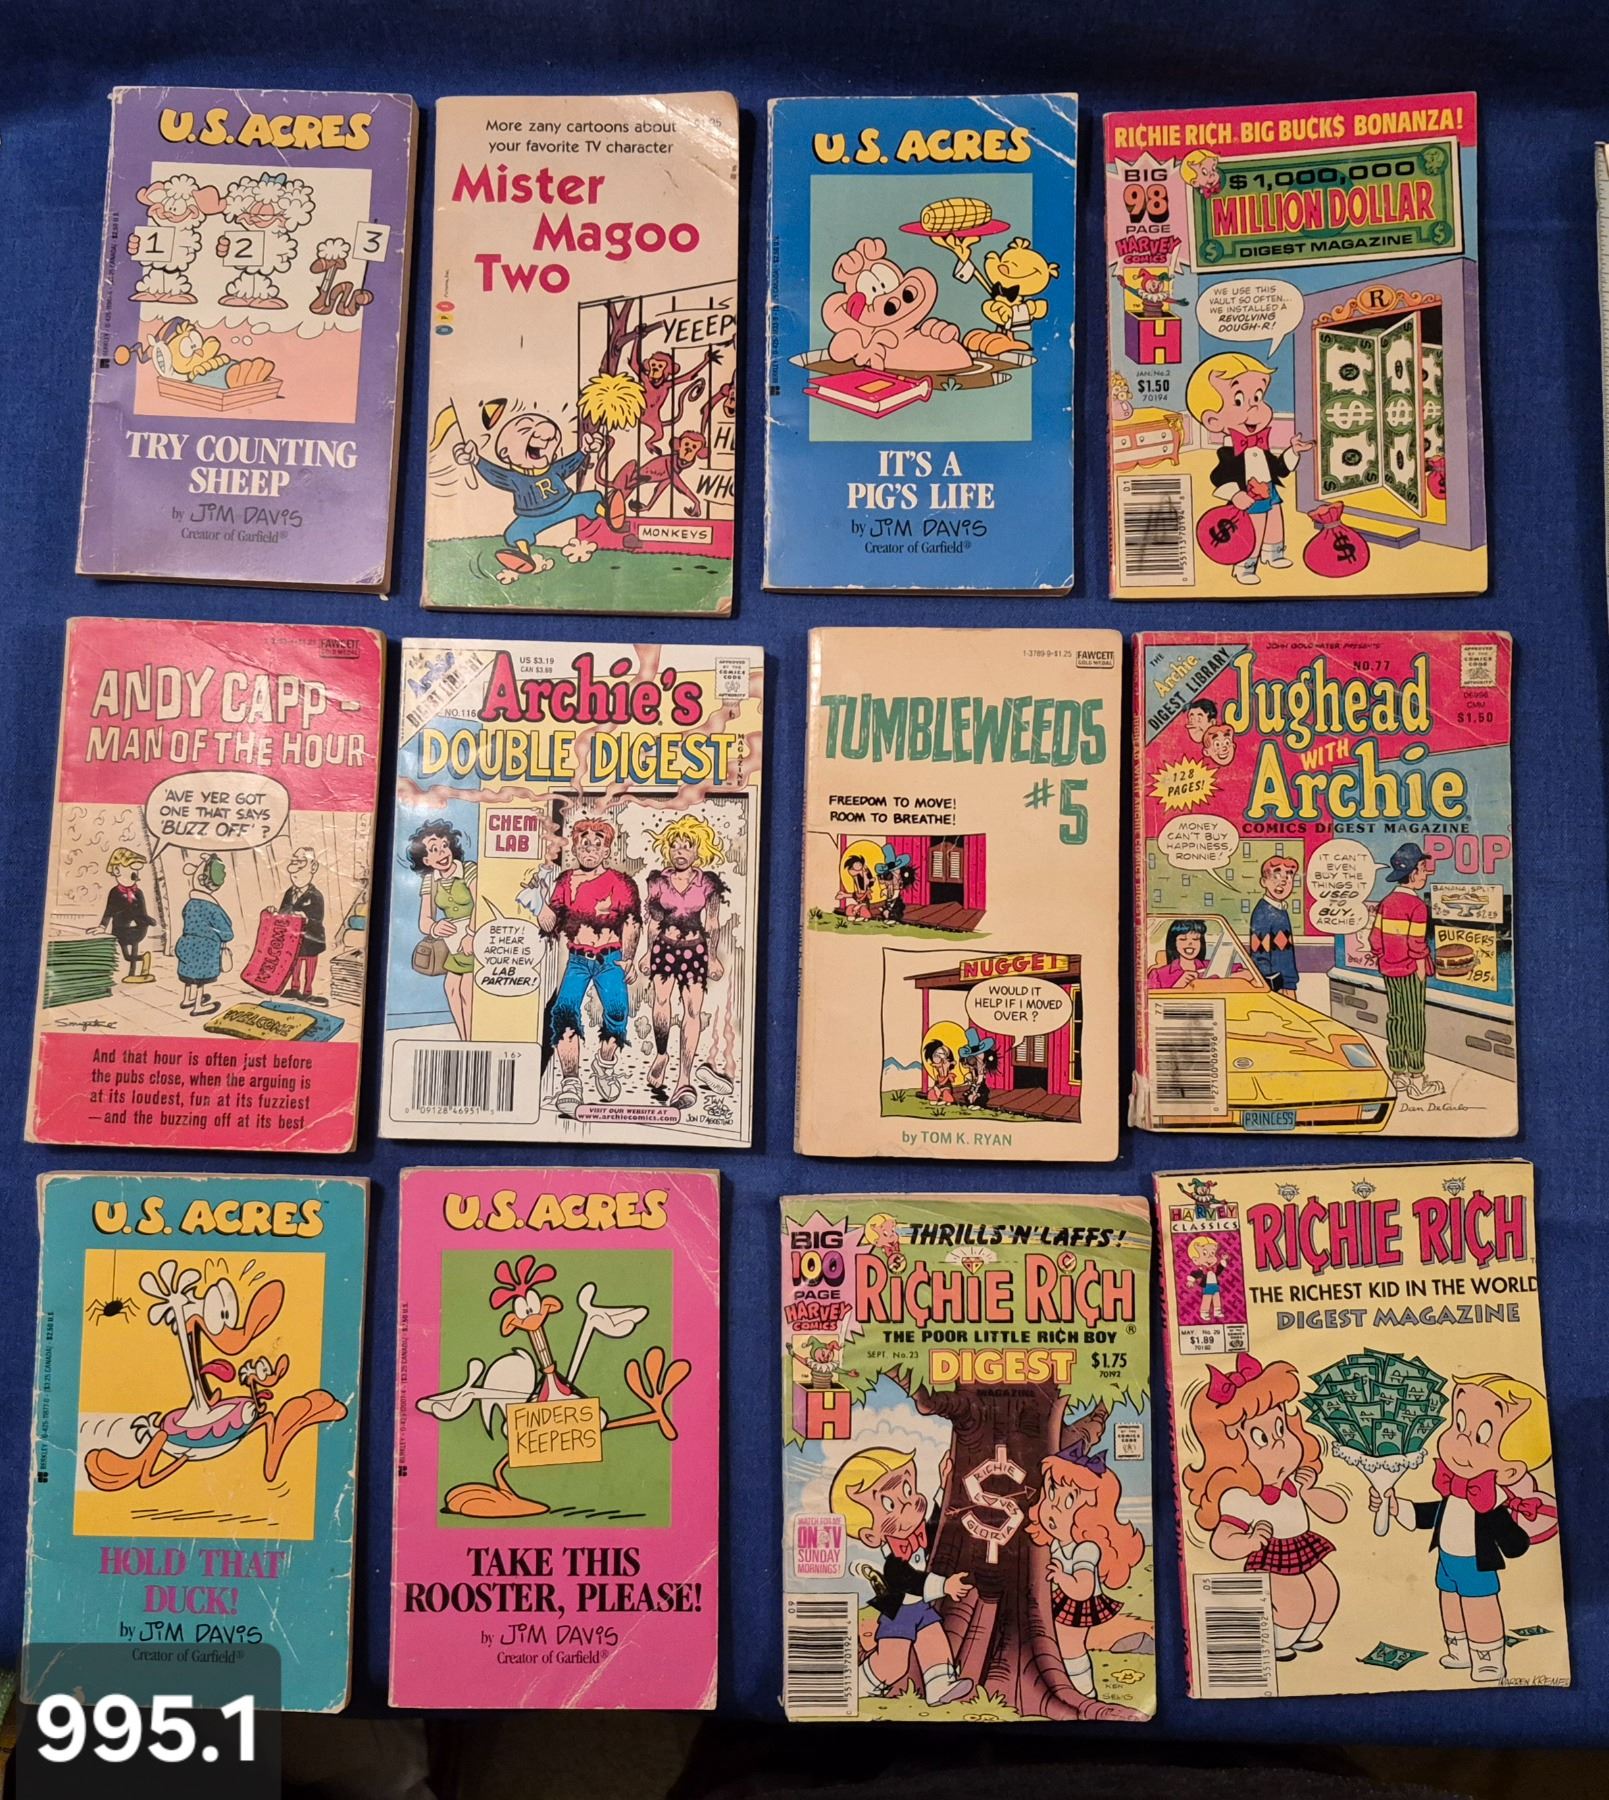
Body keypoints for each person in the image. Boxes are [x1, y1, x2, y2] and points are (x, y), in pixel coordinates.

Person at [1372, 1374, 1556, 1684]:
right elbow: (1433, 1514)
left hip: (1475, 1564)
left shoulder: (1490, 1502)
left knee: (1479, 1608)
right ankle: (1459, 1651)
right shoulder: (1454, 1490)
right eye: (1459, 1424)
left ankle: (1488, 1660)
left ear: (1510, 1469)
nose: (1461, 1440)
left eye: (1481, 1435)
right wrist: (1396, 1506)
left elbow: (1513, 1541)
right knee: (1450, 1603)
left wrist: (1515, 1537)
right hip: (1447, 1559)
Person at [1183, 1353, 1349, 1663]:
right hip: (1272, 1555)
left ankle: (1306, 1638)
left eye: (1281, 1429)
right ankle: (1280, 1642)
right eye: (1261, 1437)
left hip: (1302, 1545)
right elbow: (1221, 1542)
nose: (1279, 1444)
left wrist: (1310, 1491)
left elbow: (1337, 1512)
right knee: (1297, 1602)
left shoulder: (1294, 1481)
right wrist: (1248, 1541)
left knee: (1327, 1590)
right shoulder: (1238, 1496)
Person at [832, 1446, 974, 1707]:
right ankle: (858, 1683)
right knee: (893, 1665)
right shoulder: (892, 1564)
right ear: (870, 1536)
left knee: (934, 1639)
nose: (910, 1502)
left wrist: (944, 1487)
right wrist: (945, 1585)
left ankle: (940, 1685)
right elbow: (911, 1580)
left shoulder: (918, 1533)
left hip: (921, 1608)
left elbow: (937, 1527)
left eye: (908, 1490)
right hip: (898, 1611)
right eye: (890, 1504)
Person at [1025, 1423, 1144, 1701]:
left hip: (1078, 1604)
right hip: (1061, 1600)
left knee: (1071, 1649)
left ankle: (1084, 1691)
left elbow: (1083, 1586)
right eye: (1051, 1494)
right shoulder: (1055, 1543)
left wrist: (1061, 1577)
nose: (1054, 1507)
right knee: (1058, 1646)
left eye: (1068, 1501)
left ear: (1092, 1515)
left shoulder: (1087, 1549)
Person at [535, 819, 641, 1117]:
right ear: (575, 848)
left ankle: (605, 1065)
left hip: (611, 959)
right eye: (584, 844)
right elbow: (552, 922)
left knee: (617, 1012)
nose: (590, 850)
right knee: (564, 1012)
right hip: (578, 959)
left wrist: (629, 957)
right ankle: (570, 1083)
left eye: (597, 844)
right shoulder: (566, 881)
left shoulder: (621, 882)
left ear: (607, 850)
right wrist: (540, 911)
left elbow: (632, 922)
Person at [1186, 350, 1313, 586]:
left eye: (1258, 397)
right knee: (1251, 530)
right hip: (1248, 496)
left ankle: (1273, 554)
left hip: (1269, 490)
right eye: (1239, 401)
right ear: (1213, 421)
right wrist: (1236, 494)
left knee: (1275, 521)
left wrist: (1293, 451)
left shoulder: (1261, 447)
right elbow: (1219, 477)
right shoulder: (1229, 453)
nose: (1256, 408)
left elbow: (1280, 469)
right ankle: (1245, 567)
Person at [639, 815, 730, 1110]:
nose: (680, 851)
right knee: (661, 1002)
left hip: (694, 949)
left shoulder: (708, 883)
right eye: (675, 846)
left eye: (687, 846)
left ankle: (684, 1078)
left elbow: (713, 923)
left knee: (693, 1011)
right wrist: (647, 953)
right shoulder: (658, 881)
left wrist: (712, 957)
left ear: (697, 850)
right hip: (664, 946)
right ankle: (661, 1053)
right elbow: (653, 921)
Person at [1369, 841, 1444, 1100]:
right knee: (1414, 1021)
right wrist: (1421, 968)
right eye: (1423, 869)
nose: (1426, 874)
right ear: (1412, 873)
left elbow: (1375, 939)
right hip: (1412, 970)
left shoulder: (1387, 902)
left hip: (1389, 969)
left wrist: (1384, 958)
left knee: (1396, 1018)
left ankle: (1398, 1073)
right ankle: (1417, 1078)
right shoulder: (1417, 907)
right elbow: (1416, 944)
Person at [408, 818, 476, 1040]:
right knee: (451, 988)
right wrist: (436, 927)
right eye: (434, 850)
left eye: (444, 846)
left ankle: (472, 1040)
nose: (442, 853)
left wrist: (471, 934)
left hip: (476, 936)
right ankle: (465, 1039)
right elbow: (424, 921)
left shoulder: (468, 870)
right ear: (426, 859)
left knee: (467, 989)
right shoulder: (430, 880)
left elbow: (482, 905)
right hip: (453, 944)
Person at [174, 854, 234, 1018]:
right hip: (204, 949)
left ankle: (187, 998)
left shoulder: (190, 903)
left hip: (186, 945)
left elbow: (185, 917)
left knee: (188, 975)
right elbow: (226, 932)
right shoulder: (212, 908)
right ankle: (198, 1006)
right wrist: (224, 935)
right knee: (200, 979)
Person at [96, 848, 153, 982]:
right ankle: (144, 958)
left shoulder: (138, 892)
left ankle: (132, 974)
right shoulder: (114, 892)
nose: (135, 876)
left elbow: (142, 911)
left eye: (136, 872)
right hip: (119, 929)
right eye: (132, 871)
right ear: (117, 871)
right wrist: (102, 926)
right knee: (126, 956)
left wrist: (147, 920)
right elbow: (109, 911)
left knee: (134, 946)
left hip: (137, 928)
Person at [279, 846, 327, 1004]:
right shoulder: (289, 893)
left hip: (312, 938)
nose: (295, 878)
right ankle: (295, 988)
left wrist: (305, 917)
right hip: (295, 939)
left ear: (312, 868)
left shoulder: (315, 896)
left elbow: (318, 918)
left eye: (298, 874)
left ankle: (308, 990)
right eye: (293, 875)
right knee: (295, 963)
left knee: (310, 965)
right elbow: (283, 910)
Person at [1250, 854, 1301, 991]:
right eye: (1276, 876)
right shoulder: (1263, 913)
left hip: (1287, 982)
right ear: (1263, 882)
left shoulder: (1281, 910)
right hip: (1276, 986)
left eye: (1289, 876)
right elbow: (1259, 954)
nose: (1283, 882)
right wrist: (1270, 985)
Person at [1148, 918, 1210, 989]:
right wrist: (1178, 986)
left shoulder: (1212, 966)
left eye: (1195, 939)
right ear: (1174, 943)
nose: (1190, 943)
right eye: (1183, 939)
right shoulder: (1157, 975)